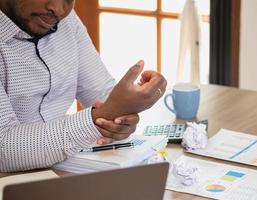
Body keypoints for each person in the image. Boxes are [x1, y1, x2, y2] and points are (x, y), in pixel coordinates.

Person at [0, 0, 167, 172]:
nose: (57, 9)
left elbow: (102, 95)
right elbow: (3, 149)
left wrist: (123, 113)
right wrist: (100, 118)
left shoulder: (66, 20)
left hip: (62, 170)